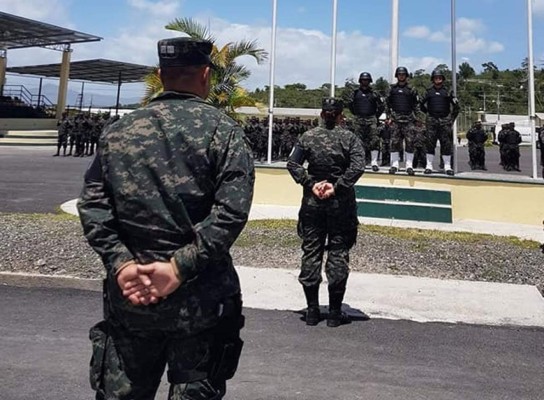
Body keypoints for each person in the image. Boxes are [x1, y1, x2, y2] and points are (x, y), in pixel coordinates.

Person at [77, 37, 255, 400]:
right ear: (205, 74)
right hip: (200, 302)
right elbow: (231, 213)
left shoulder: (117, 131)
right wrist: (178, 269)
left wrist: (122, 264)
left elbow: (93, 205)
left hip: (132, 298)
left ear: (160, 75)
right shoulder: (223, 132)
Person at [287, 97, 365, 328]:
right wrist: (337, 187)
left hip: (313, 204)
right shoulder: (349, 138)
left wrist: (310, 183)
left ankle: (312, 311)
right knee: (338, 253)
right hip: (340, 205)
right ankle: (333, 312)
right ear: (341, 115)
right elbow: (358, 167)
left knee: (311, 252)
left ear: (322, 113)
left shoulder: (308, 137)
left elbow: (293, 164)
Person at [420, 68, 460, 176]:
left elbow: (457, 107)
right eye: (436, 78)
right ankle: (429, 166)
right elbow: (420, 105)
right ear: (433, 79)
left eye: (440, 78)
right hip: (432, 121)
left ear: (442, 79)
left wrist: (451, 119)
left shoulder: (448, 92)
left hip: (444, 121)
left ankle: (447, 166)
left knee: (446, 144)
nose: (438, 79)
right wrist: (428, 114)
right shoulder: (428, 92)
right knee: (430, 143)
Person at [385, 66, 420, 175]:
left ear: (406, 76)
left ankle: (409, 166)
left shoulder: (412, 89)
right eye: (399, 74)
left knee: (410, 143)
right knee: (394, 143)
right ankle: (394, 165)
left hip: (408, 119)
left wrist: (418, 118)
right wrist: (388, 117)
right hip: (395, 120)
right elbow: (387, 104)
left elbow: (416, 105)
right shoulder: (391, 89)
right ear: (397, 76)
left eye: (403, 74)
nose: (401, 76)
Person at [349, 71, 385, 171]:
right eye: (363, 80)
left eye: (367, 80)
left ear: (369, 81)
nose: (365, 82)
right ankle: (360, 162)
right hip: (358, 119)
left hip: (371, 119)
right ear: (360, 81)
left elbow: (382, 106)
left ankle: (374, 162)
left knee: (375, 139)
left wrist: (375, 116)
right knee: (358, 141)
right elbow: (350, 105)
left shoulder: (374, 93)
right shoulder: (355, 93)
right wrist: (356, 114)